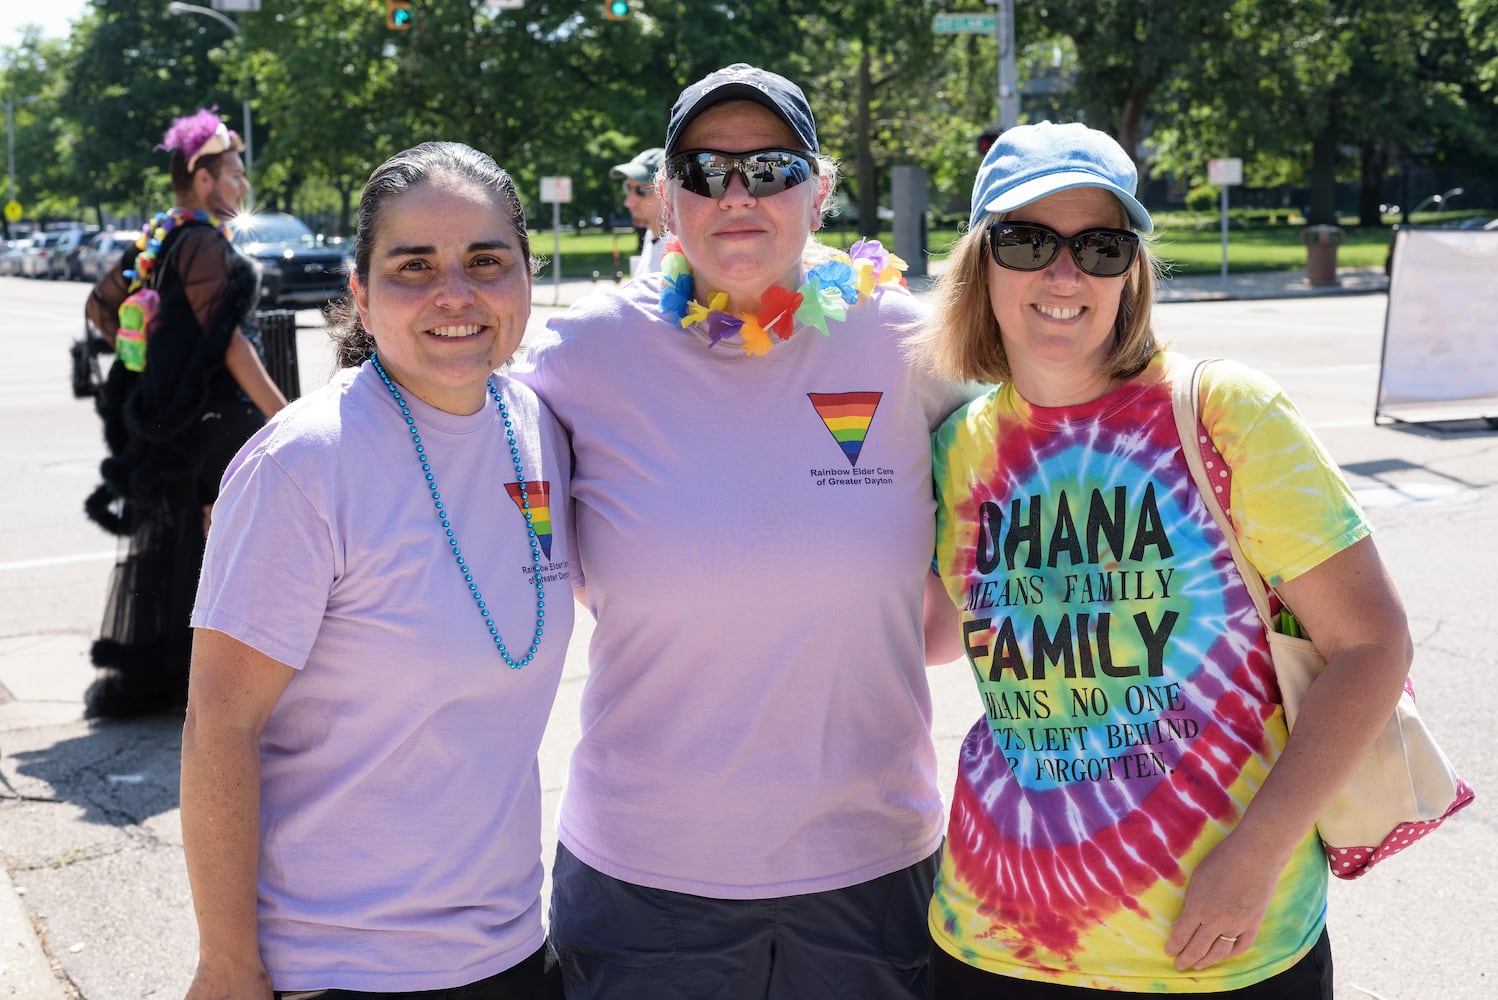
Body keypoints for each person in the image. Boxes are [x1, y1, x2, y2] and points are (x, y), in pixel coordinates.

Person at [910, 121, 1414, 997]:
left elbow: (1372, 647)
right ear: (980, 263)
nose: (1063, 274)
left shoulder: (1225, 411)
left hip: (1217, 945)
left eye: (1100, 247)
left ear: (1131, 271)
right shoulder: (957, 449)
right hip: (990, 940)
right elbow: (930, 636)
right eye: (1027, 240)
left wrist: (1255, 858)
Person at [515, 63, 970, 999]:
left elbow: (1031, 469)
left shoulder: (908, 341)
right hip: (646, 883)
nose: (735, 194)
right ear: (665, 198)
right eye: (702, 169)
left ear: (822, 189)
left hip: (872, 872)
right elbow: (451, 425)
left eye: (769, 169)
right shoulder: (584, 352)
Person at [180, 141, 573, 999]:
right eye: (413, 266)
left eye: (485, 260)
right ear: (359, 290)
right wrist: (226, 965)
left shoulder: (540, 429)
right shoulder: (305, 463)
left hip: (511, 948)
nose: (455, 294)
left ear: (526, 277)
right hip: (339, 966)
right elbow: (219, 726)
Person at [82, 107, 287, 719]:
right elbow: (230, 343)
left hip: (176, 424)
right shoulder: (201, 242)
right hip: (214, 425)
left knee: (181, 546)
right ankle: (210, 685)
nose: (243, 185)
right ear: (203, 178)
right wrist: (286, 416)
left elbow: (99, 308)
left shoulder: (164, 235)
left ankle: (176, 677)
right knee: (216, 548)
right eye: (235, 173)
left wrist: (156, 348)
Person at [609, 145, 666, 277]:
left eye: (642, 190)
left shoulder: (685, 251)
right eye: (628, 188)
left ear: (666, 191)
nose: (628, 202)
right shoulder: (651, 234)